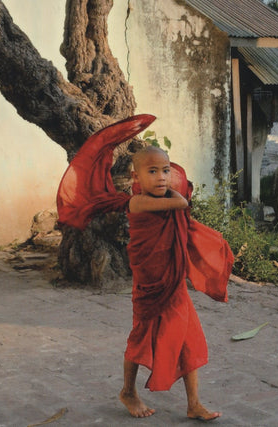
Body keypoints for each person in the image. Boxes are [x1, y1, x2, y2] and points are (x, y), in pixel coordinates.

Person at [56, 115, 233, 421]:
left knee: (189, 341)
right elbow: (182, 203)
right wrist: (178, 190)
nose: (162, 177)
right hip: (151, 285)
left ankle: (193, 403)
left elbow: (180, 201)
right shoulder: (138, 202)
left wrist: (175, 187)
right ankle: (128, 391)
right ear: (136, 177)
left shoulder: (164, 196)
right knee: (140, 339)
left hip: (174, 283)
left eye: (166, 170)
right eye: (152, 172)